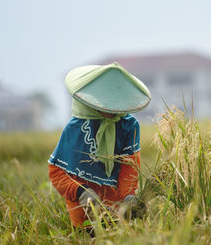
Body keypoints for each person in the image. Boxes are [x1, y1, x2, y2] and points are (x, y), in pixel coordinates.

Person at [48, 62, 151, 229]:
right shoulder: (76, 128)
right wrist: (81, 192)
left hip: (116, 207)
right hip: (83, 209)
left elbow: (129, 166)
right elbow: (57, 173)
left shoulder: (128, 125)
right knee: (88, 233)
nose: (111, 108)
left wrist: (128, 197)